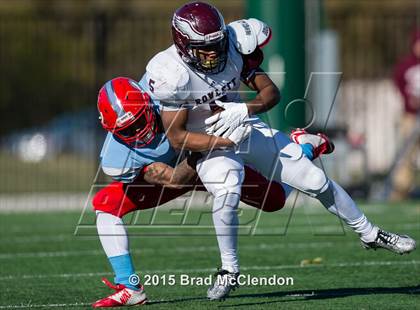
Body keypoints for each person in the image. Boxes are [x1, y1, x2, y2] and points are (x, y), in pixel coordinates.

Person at [141, 1, 416, 300]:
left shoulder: (233, 46)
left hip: (244, 125)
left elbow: (271, 93)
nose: (213, 53)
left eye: (217, 43)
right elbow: (178, 138)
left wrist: (242, 109)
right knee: (227, 193)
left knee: (315, 181)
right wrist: (223, 141)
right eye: (203, 47)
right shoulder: (170, 73)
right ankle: (229, 269)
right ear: (183, 45)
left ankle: (370, 233)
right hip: (207, 144)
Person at [91, 77, 330, 307]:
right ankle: (129, 287)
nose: (138, 133)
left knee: (275, 200)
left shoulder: (163, 85)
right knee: (106, 204)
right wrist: (210, 145)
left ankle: (304, 148)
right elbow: (174, 180)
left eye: (140, 121)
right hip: (186, 167)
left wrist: (219, 136)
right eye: (128, 130)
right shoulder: (115, 158)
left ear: (147, 101)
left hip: (214, 157)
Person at [391, 29, 420, 201]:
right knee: (406, 154)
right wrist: (410, 99)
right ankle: (401, 189)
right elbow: (399, 83)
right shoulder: (406, 65)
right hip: (411, 116)